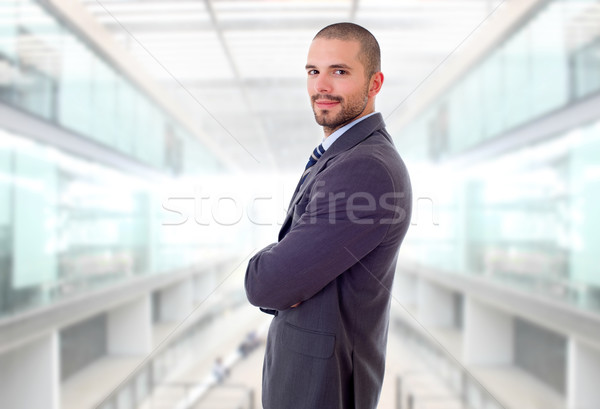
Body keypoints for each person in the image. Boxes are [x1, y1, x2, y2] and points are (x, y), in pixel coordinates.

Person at [245, 22, 412, 409]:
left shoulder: (366, 169)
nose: (322, 86)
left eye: (339, 72)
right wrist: (290, 270)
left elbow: (265, 284)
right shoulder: (341, 157)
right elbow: (288, 276)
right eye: (313, 72)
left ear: (375, 83)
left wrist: (271, 267)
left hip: (322, 389)